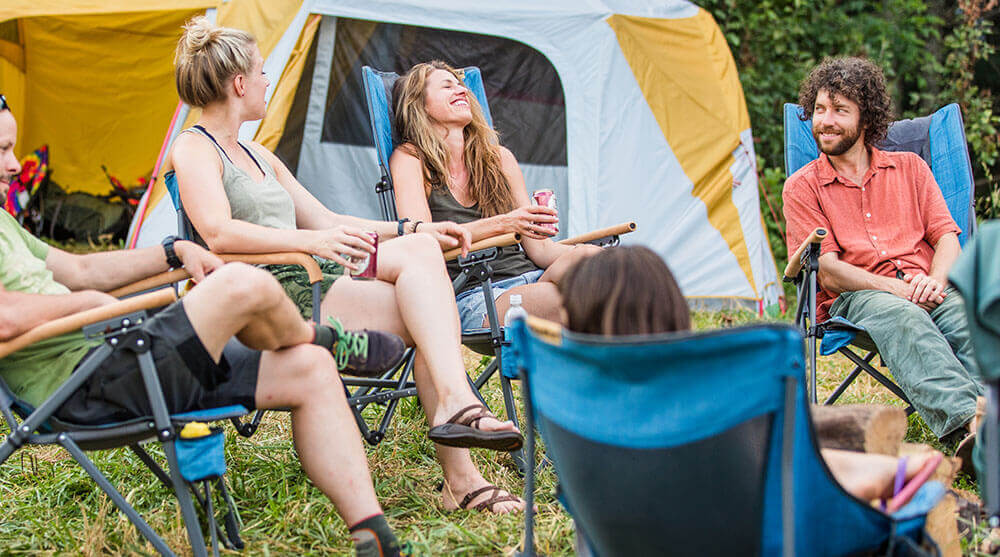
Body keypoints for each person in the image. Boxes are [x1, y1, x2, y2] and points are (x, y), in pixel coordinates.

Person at [0, 96, 404, 556]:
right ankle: (326, 337)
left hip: (119, 355)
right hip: (83, 380)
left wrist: (173, 251)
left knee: (309, 369)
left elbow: (80, 271)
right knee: (239, 285)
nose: (15, 165)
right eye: (2, 151)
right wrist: (89, 307)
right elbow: (8, 318)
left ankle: (376, 538)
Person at [169, 18, 525, 514]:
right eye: (262, 72)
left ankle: (456, 428)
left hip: (313, 279)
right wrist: (312, 240)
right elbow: (218, 232)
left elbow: (331, 219)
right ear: (239, 84)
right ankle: (461, 471)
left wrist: (415, 231)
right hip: (268, 295)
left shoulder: (259, 155)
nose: (269, 80)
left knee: (427, 292)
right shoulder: (193, 148)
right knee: (433, 320)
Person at [558, 245, 943, 510]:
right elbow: (799, 490)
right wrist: (901, 472)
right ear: (676, 314)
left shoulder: (571, 413)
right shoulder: (702, 415)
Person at [781, 56, 983, 456]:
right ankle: (971, 429)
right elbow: (832, 273)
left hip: (927, 285)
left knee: (971, 320)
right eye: (820, 109)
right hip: (860, 295)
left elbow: (947, 239)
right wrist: (899, 289)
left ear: (866, 119)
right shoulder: (802, 187)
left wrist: (934, 281)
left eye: (840, 110)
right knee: (903, 316)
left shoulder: (912, 168)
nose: (826, 120)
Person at [389, 60, 600, 332]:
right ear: (420, 105)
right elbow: (419, 240)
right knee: (573, 301)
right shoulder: (410, 159)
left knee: (603, 267)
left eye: (462, 86)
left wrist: (594, 256)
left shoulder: (499, 159)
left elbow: (540, 249)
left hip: (533, 278)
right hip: (477, 294)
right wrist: (506, 223)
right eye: (447, 86)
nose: (462, 90)